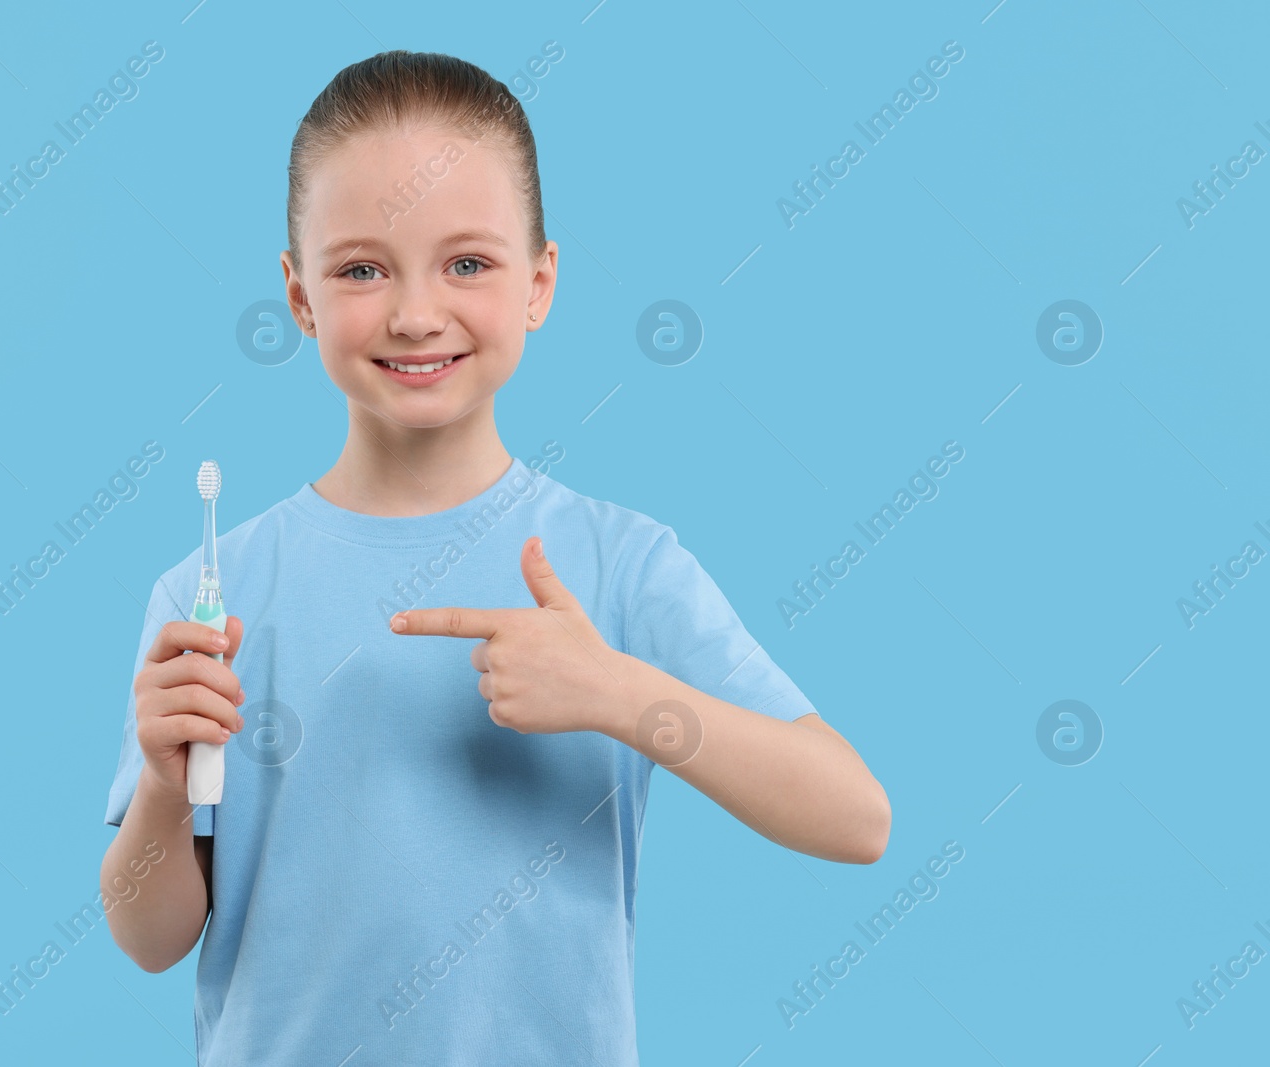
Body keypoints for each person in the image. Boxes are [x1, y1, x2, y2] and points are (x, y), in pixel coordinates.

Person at [101, 49, 889, 1066]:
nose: (416, 312)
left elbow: (854, 814)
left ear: (540, 283)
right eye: (360, 269)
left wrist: (617, 691)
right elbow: (145, 934)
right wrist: (165, 789)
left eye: (466, 263)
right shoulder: (214, 595)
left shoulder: (620, 566)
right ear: (298, 297)